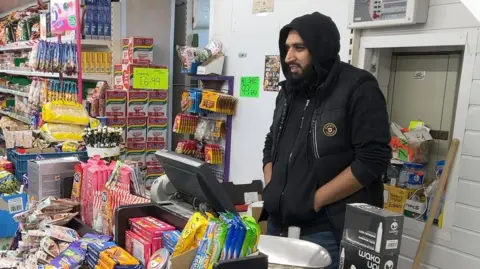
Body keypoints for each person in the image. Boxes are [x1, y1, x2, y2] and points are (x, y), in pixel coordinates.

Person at [259, 12, 391, 268]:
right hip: (278, 223)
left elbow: (373, 159)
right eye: (287, 48)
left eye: (299, 48)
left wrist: (315, 199)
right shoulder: (289, 91)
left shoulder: (358, 87)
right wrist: (272, 184)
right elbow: (270, 142)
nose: (288, 57)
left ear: (320, 48)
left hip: (327, 230)